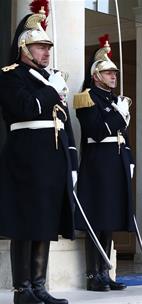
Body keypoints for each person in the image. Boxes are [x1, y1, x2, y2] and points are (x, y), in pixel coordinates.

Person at [0, 10, 77, 304]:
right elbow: (25, 108)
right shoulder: (11, 76)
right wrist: (50, 90)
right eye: (40, 47)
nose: (46, 52)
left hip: (52, 159)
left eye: (47, 48)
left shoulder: (51, 79)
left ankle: (39, 285)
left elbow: (63, 122)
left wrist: (72, 160)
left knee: (45, 222)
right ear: (24, 49)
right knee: (25, 223)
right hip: (25, 158)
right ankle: (22, 290)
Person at [73, 38, 134, 291]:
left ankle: (104, 272)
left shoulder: (113, 99)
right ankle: (92, 276)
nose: (113, 76)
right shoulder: (86, 98)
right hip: (98, 165)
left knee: (109, 220)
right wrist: (118, 114)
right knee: (96, 220)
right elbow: (97, 131)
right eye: (109, 72)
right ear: (96, 75)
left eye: (115, 72)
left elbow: (123, 135)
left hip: (115, 162)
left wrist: (128, 158)